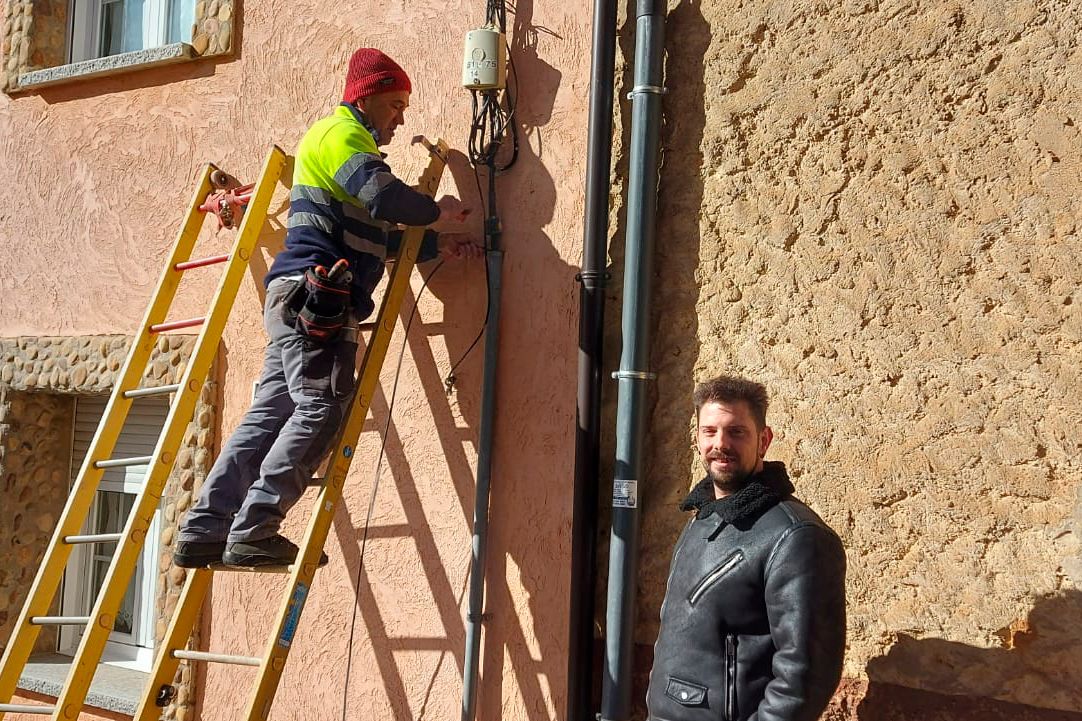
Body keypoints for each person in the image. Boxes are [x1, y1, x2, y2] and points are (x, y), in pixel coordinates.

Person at [174, 48, 480, 568]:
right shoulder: (340, 136)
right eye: (395, 103)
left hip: (296, 300)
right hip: (317, 301)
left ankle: (204, 531)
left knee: (269, 416)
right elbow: (385, 199)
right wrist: (436, 211)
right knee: (319, 410)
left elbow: (374, 236)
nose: (401, 116)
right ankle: (253, 527)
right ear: (366, 96)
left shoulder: (340, 152)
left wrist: (436, 248)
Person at [647, 375, 846, 721]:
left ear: (764, 440)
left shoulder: (797, 536)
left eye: (736, 432)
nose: (720, 443)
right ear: (696, 439)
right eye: (709, 431)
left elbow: (803, 679)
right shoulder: (702, 517)